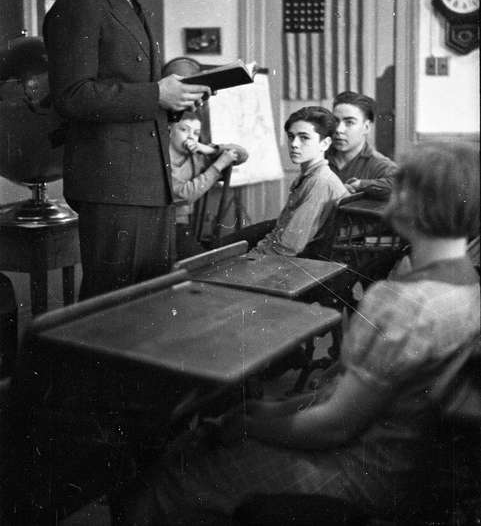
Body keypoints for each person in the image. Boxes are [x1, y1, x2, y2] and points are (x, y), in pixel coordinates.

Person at [112, 141, 480, 524]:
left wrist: (252, 424)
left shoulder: (402, 301)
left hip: (363, 472)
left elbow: (334, 426)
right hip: (410, 470)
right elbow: (348, 398)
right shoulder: (468, 283)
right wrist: (271, 411)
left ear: (418, 204)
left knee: (176, 478)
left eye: (403, 185)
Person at [44, 0, 211, 299]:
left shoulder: (132, 5)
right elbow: (73, 95)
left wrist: (176, 102)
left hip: (147, 186)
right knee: (113, 319)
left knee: (148, 311)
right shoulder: (80, 3)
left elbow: (134, 93)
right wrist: (157, 95)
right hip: (113, 188)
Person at [253, 106, 348, 257]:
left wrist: (251, 258)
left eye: (304, 137)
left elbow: (288, 247)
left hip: (302, 265)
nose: (294, 144)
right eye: (291, 136)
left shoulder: (320, 182)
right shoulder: (307, 176)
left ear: (325, 143)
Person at [169, 110, 248, 260]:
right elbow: (184, 195)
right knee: (200, 264)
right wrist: (218, 166)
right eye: (184, 130)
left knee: (203, 261)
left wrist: (209, 149)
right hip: (161, 225)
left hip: (182, 225)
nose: (191, 136)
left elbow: (242, 154)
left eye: (196, 132)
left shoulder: (197, 157)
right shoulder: (160, 157)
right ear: (170, 130)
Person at [328, 91, 397, 198]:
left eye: (349, 122)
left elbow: (403, 184)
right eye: (335, 121)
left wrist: (360, 184)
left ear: (366, 127)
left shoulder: (379, 164)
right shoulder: (321, 156)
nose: (338, 129)